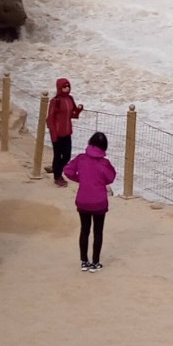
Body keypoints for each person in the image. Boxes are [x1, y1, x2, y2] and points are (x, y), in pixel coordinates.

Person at [66, 130, 117, 270]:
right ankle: (95, 263)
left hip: (83, 200)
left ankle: (84, 261)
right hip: (99, 202)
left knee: (84, 230)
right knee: (98, 232)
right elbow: (110, 178)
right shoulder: (105, 163)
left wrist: (81, 179)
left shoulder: (81, 158)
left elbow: (68, 171)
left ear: (90, 143)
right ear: (104, 147)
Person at [47, 77, 84, 185]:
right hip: (57, 133)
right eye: (64, 86)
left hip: (67, 132)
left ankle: (57, 170)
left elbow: (73, 115)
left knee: (67, 156)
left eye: (68, 86)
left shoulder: (70, 99)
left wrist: (79, 110)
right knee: (58, 155)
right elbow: (50, 118)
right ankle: (57, 176)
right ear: (59, 87)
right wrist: (54, 134)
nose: (67, 88)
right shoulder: (55, 101)